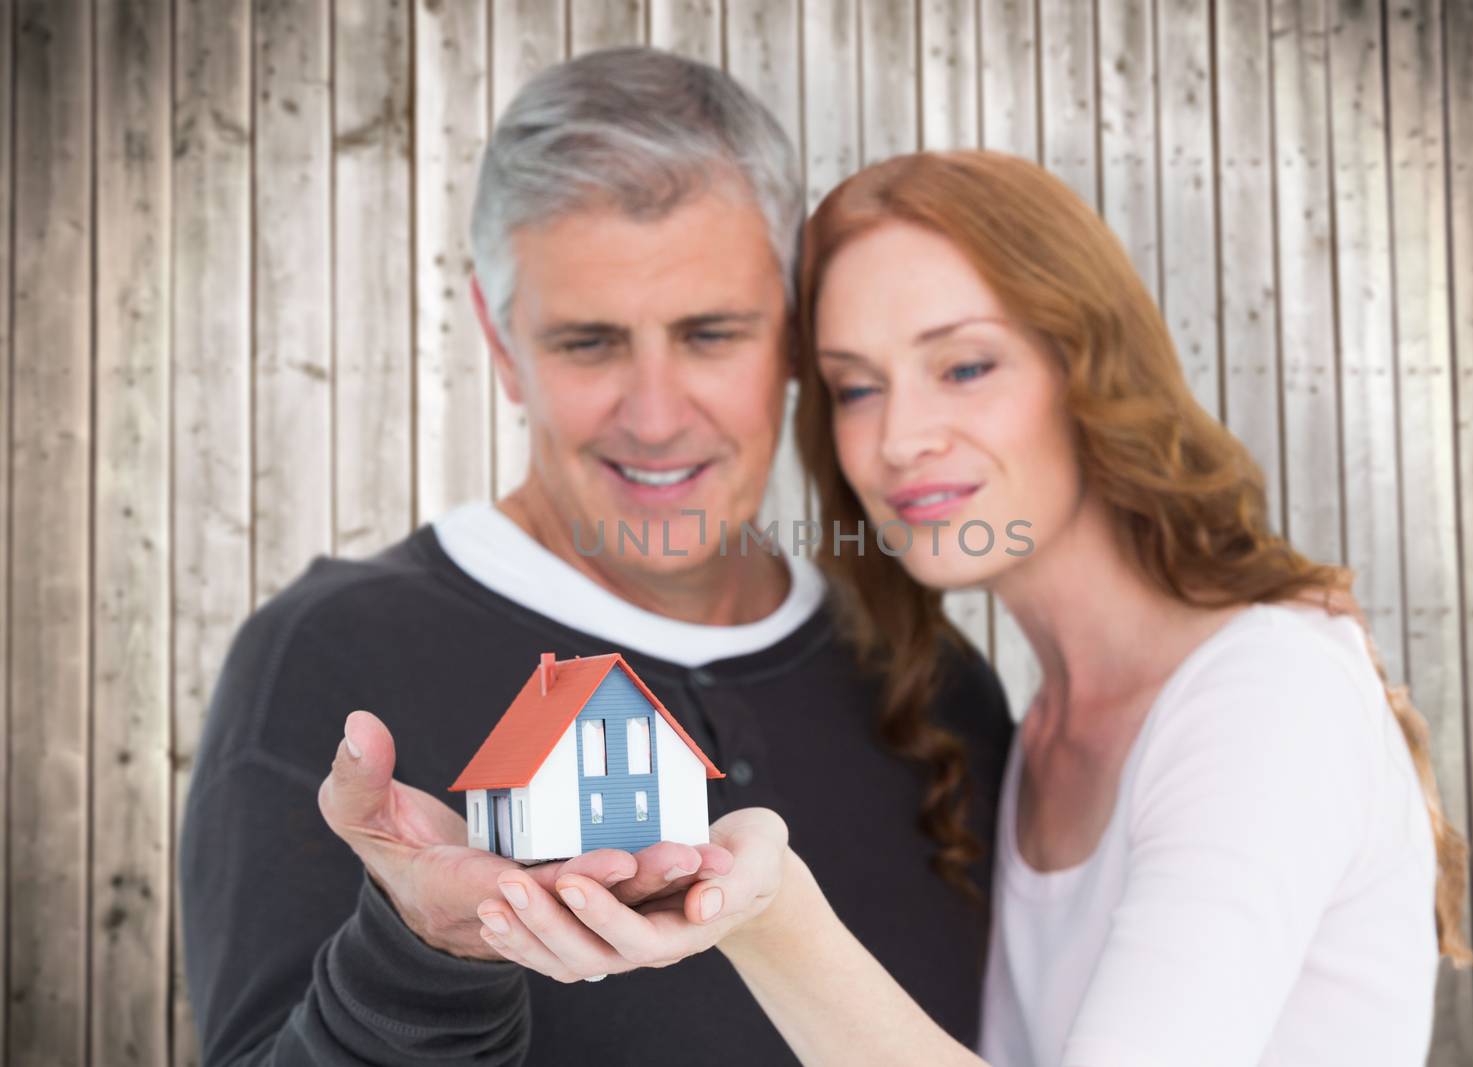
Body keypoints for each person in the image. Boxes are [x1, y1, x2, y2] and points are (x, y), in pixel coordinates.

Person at [468, 150, 1473, 1067]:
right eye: (855, 388)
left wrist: (768, 915)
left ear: (1088, 367)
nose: (900, 436)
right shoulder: (1031, 722)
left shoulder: (1261, 696)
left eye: (964, 365)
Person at [179, 54, 1013, 1066]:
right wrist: (419, 957)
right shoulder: (330, 659)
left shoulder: (935, 684)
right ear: (499, 341)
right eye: (588, 343)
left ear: (792, 330)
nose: (656, 417)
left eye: (711, 333)